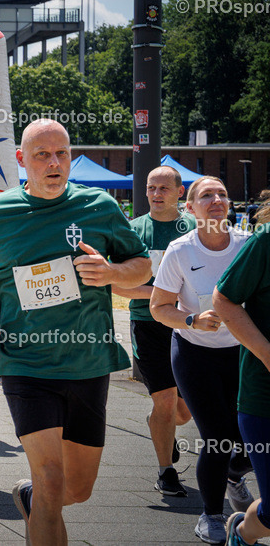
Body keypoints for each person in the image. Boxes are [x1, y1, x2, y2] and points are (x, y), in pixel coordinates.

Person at [0, 119, 151, 546]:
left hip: (88, 363)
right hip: (26, 364)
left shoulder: (98, 206)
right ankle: (38, 496)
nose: (54, 162)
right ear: (23, 160)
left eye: (61, 153)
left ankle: (28, 498)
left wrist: (112, 272)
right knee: (49, 478)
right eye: (42, 155)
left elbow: (142, 265)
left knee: (75, 491)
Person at [151, 176, 254, 544]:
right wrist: (192, 320)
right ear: (190, 208)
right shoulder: (180, 251)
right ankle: (211, 515)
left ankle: (232, 475)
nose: (216, 200)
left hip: (243, 352)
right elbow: (159, 308)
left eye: (223, 194)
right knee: (217, 437)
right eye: (206, 195)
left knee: (250, 438)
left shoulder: (248, 245)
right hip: (194, 354)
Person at [112, 166, 195, 496]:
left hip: (187, 327)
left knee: (184, 412)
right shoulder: (134, 232)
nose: (156, 194)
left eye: (163, 188)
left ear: (180, 191)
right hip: (147, 326)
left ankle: (165, 433)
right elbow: (119, 286)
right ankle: (166, 470)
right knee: (163, 401)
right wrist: (159, 293)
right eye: (151, 188)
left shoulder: (194, 230)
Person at [215, 202, 270, 546]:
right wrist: (267, 354)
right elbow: (224, 300)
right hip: (264, 395)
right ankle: (241, 531)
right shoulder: (265, 242)